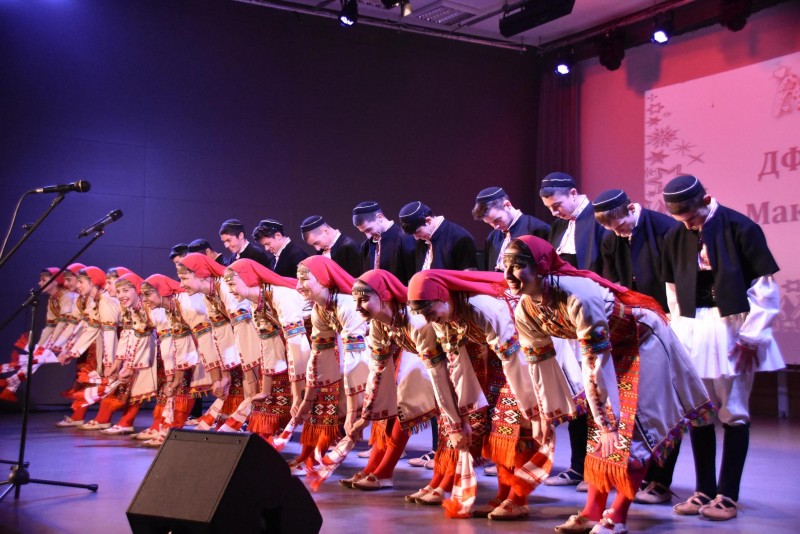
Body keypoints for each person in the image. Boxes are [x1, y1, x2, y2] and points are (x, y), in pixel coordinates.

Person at [502, 235, 713, 534]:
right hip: (608, 350)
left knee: (633, 429)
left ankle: (618, 516)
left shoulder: (577, 296)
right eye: (505, 266)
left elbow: (595, 364)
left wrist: (607, 422)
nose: (508, 275)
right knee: (599, 436)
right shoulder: (526, 308)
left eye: (517, 266)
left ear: (541, 266)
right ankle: (592, 511)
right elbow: (537, 364)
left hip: (642, 342)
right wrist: (543, 414)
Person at [661, 175, 785, 521]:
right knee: (699, 411)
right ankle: (703, 490)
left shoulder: (741, 227)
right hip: (693, 328)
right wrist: (677, 335)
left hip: (732, 327)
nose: (690, 225)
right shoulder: (675, 236)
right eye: (683, 220)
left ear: (707, 200)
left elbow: (764, 287)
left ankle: (727, 495)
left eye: (693, 217)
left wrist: (751, 337)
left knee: (733, 410)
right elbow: (673, 291)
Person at [406, 269, 548, 519]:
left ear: (443, 297)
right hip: (496, 353)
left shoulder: (483, 307)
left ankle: (518, 498)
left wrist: (532, 410)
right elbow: (455, 368)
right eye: (423, 315)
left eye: (430, 311)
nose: (429, 320)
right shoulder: (443, 318)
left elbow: (514, 360)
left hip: (529, 347)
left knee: (515, 420)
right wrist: (459, 420)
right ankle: (503, 494)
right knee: (494, 425)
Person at [592, 188, 680, 503]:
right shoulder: (611, 238)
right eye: (612, 230)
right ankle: (641, 474)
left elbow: (676, 281)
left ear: (631, 208)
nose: (618, 233)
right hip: (633, 327)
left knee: (665, 403)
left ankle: (661, 480)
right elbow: (612, 283)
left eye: (621, 226)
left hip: (667, 322)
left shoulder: (665, 229)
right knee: (638, 404)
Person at [539, 172, 609, 491]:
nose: (555, 212)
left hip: (593, 316)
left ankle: (599, 467)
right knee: (575, 393)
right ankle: (578, 465)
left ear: (574, 193)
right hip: (564, 319)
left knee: (598, 394)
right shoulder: (558, 226)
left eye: (557, 205)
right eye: (550, 209)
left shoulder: (598, 220)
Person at [344, 269, 438, 491]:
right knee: (386, 402)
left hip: (449, 361)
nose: (357, 308)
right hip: (425, 358)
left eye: (363, 300)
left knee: (406, 404)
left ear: (384, 296)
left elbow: (434, 368)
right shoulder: (379, 322)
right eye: (355, 301)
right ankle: (376, 468)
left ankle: (387, 471)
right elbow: (377, 371)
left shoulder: (416, 320)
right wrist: (365, 417)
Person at [292, 256, 370, 469]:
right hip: (364, 355)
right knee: (325, 394)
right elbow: (319, 355)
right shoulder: (320, 308)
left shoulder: (348, 305)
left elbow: (356, 361)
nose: (298, 286)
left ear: (324, 279)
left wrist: (352, 413)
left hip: (390, 352)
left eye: (304, 279)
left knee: (393, 406)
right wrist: (307, 400)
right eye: (298, 279)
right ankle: (311, 455)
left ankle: (382, 469)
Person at [224, 258, 312, 438]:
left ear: (247, 279)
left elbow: (297, 345)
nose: (230, 290)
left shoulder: (282, 296)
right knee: (271, 393)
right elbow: (267, 343)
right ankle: (268, 436)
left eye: (232, 284)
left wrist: (298, 394)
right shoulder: (256, 302)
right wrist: (265, 389)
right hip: (295, 343)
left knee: (315, 396)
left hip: (319, 341)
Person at [55, 266, 122, 428]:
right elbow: (91, 328)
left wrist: (110, 362)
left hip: (121, 343)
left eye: (81, 282)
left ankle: (108, 419)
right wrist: (71, 352)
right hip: (108, 342)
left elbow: (110, 334)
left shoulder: (105, 300)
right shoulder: (96, 300)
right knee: (107, 381)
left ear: (92, 282)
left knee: (115, 382)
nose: (78, 285)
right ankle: (101, 419)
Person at [0, 268, 75, 402]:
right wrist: (39, 347)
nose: (40, 283)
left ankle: (11, 381)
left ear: (55, 282)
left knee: (40, 356)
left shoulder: (67, 296)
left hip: (72, 331)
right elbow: (50, 325)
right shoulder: (52, 299)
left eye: (44, 280)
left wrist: (51, 344)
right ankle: (12, 382)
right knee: (36, 356)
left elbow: (63, 323)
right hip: (59, 332)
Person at [472, 187, 549, 272]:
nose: (495, 227)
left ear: (507, 205)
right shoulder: (492, 237)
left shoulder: (538, 229)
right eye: (489, 223)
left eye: (497, 220)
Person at [399, 201, 478, 272]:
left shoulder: (460, 238)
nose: (416, 238)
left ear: (428, 221)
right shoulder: (422, 240)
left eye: (418, 232)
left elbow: (468, 277)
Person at [352, 201, 416, 285]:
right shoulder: (366, 246)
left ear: (380, 217)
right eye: (363, 232)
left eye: (369, 229)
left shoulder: (404, 239)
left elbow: (412, 278)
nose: (368, 236)